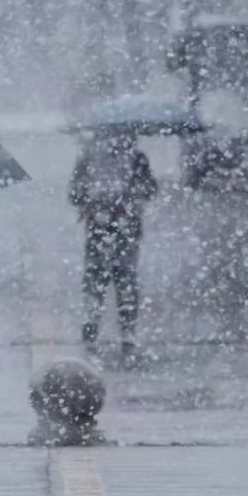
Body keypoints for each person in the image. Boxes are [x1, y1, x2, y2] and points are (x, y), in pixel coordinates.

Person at [69, 128, 156, 365]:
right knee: (104, 280)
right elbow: (75, 194)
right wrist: (97, 202)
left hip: (121, 230)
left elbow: (149, 190)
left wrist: (123, 198)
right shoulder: (90, 160)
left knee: (120, 280)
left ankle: (121, 330)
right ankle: (96, 327)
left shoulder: (135, 160)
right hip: (104, 229)